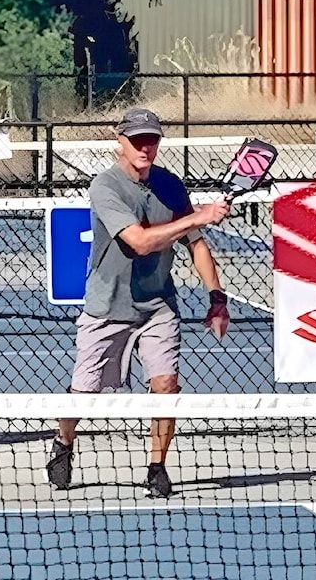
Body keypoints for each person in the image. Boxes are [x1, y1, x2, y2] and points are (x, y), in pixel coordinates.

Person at [46, 107, 233, 498]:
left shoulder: (171, 185)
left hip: (158, 307)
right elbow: (140, 242)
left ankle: (157, 466)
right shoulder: (106, 187)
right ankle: (64, 442)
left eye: (152, 139)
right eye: (137, 140)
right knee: (84, 393)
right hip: (107, 307)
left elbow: (197, 246)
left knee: (166, 384)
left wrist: (217, 297)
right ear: (120, 143)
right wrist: (197, 216)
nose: (145, 147)